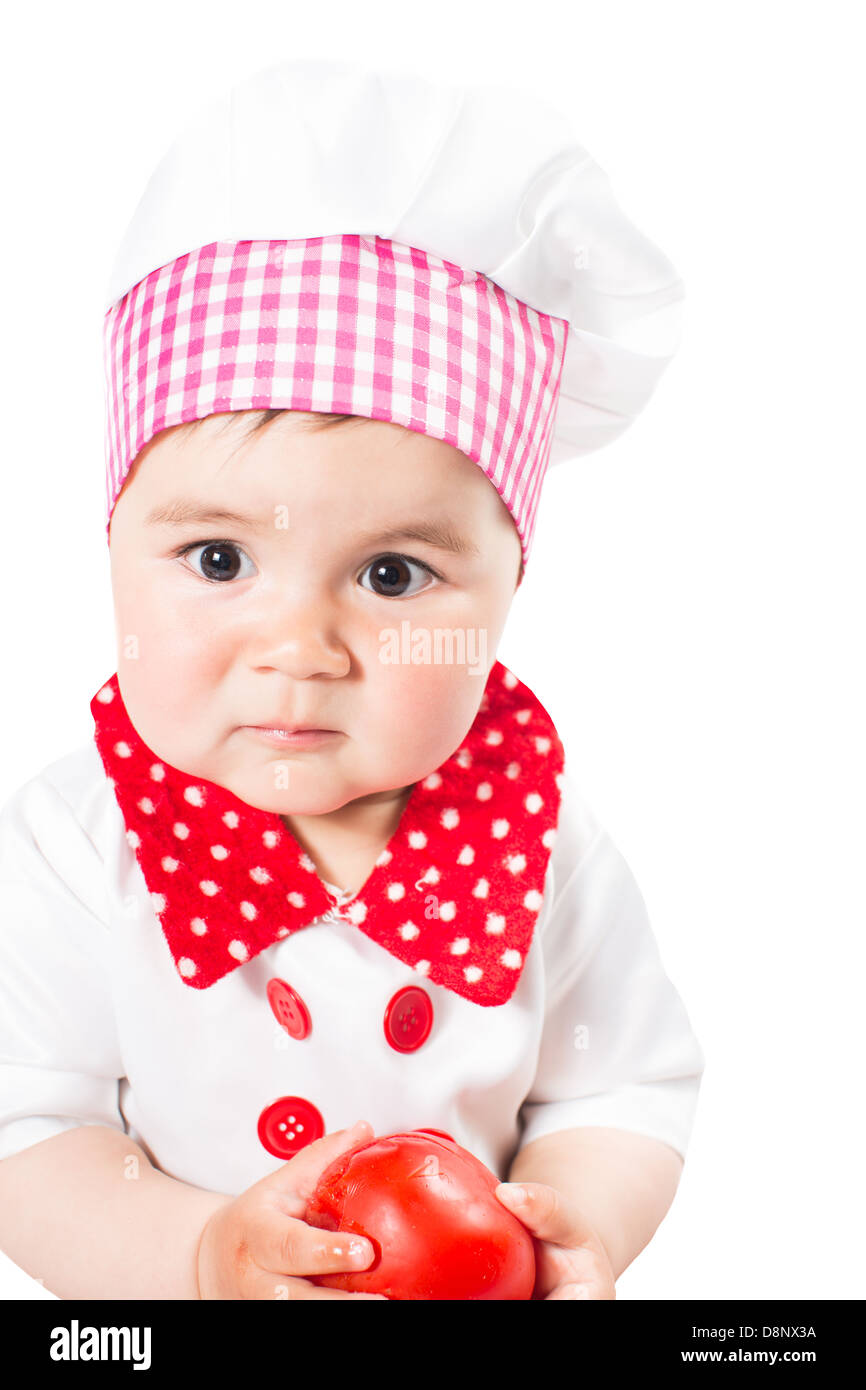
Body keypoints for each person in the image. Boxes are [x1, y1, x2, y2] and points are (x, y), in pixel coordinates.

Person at [0, 59, 704, 1300]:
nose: (302, 649)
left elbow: (620, 1082)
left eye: (391, 576)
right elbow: (25, 1134)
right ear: (108, 548)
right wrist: (200, 1258)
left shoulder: (535, 831)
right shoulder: (73, 842)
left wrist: (578, 1218)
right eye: (218, 558)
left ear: (507, 595)